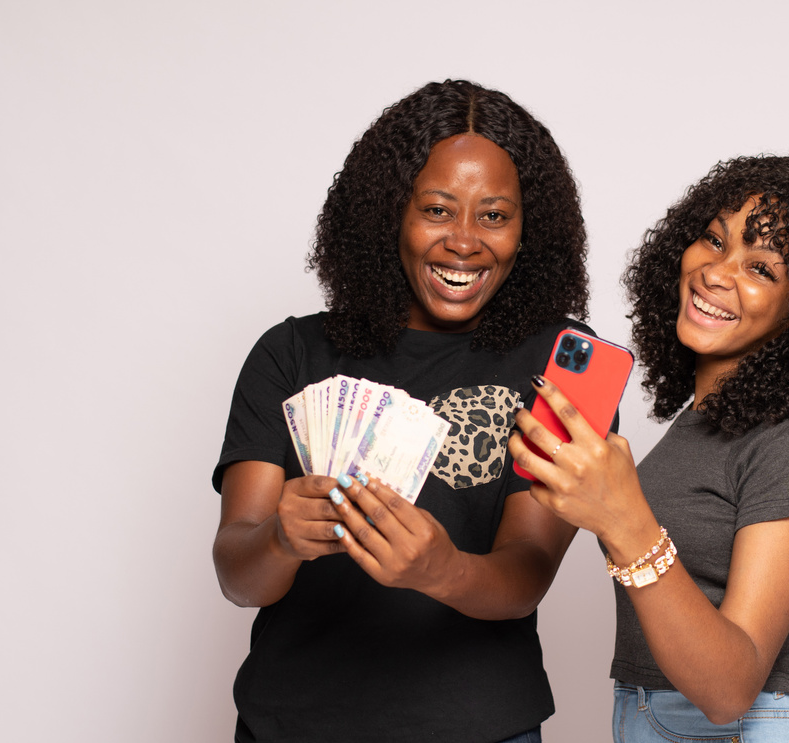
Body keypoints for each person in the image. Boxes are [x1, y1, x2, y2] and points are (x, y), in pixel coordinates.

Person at [509, 155, 789, 742]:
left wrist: (625, 519)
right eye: (714, 239)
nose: (716, 271)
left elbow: (729, 689)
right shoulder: (706, 424)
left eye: (761, 268)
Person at [212, 80, 591, 743]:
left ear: (529, 231)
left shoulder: (565, 369)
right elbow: (237, 574)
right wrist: (279, 537)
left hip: (480, 728)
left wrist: (443, 570)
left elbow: (528, 568)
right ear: (391, 213)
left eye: (495, 215)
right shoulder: (290, 353)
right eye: (438, 209)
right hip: (292, 724)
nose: (465, 242)